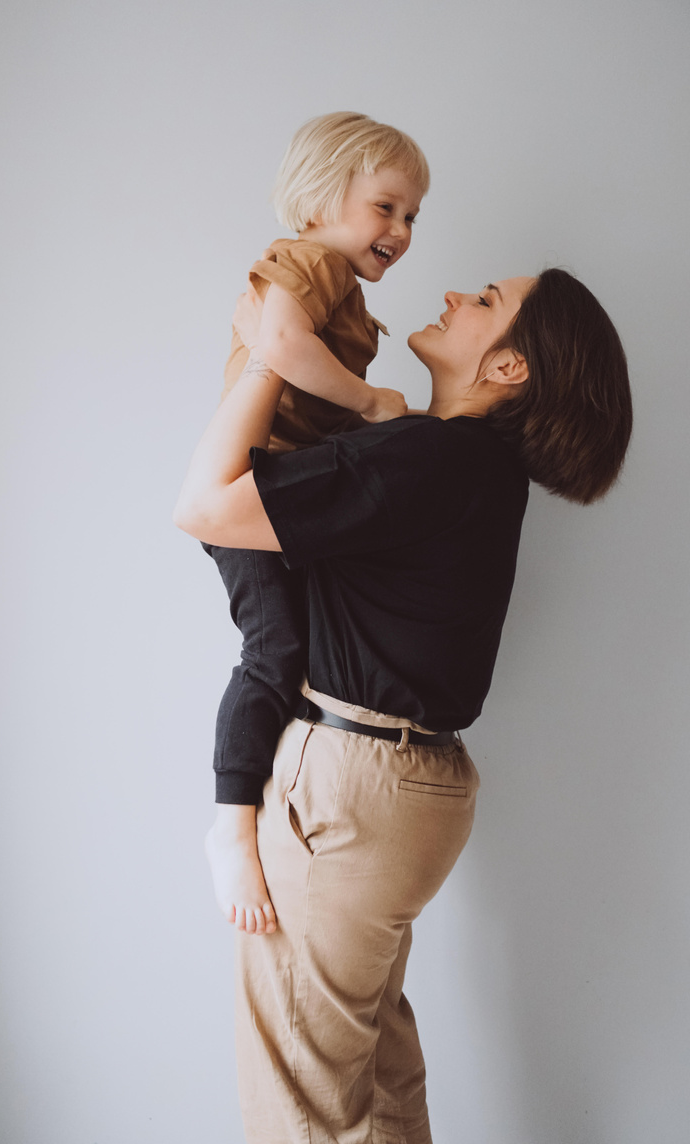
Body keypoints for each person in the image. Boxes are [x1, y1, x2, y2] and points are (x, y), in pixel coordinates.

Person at [174, 267, 632, 1143]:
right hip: (415, 791)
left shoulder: (430, 458)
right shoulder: (473, 467)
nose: (458, 296)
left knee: (303, 1106)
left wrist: (271, 358)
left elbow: (202, 507)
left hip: (350, 785)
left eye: (487, 303)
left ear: (509, 369)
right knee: (378, 1086)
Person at [202, 112, 429, 935]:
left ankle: (276, 803)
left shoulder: (340, 283)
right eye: (386, 207)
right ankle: (228, 826)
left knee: (296, 652)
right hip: (254, 487)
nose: (401, 230)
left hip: (284, 491)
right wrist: (370, 402)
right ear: (322, 197)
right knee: (272, 652)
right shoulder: (309, 263)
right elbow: (281, 346)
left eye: (411, 217)